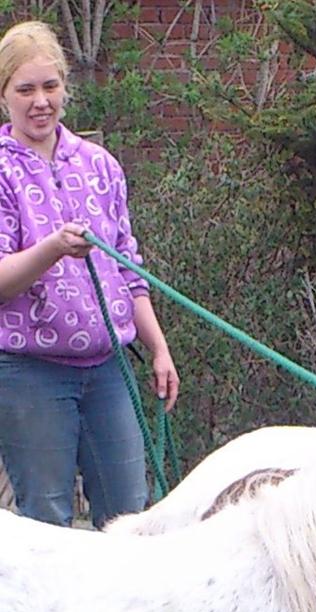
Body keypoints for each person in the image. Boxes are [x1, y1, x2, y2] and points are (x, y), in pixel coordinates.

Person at [0, 19, 178, 528]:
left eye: (50, 86)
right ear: (5, 96)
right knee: (46, 522)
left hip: (108, 368)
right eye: (26, 89)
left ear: (65, 89)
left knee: (129, 513)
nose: (41, 101)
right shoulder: (2, 170)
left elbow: (129, 268)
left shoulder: (100, 165)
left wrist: (159, 348)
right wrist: (53, 248)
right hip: (28, 372)